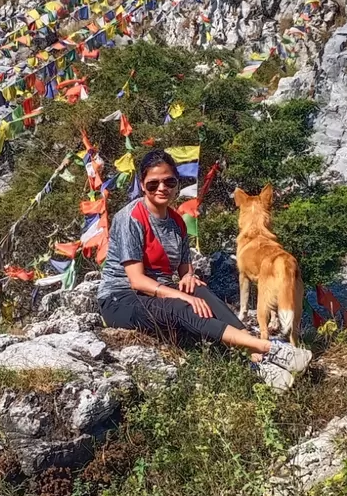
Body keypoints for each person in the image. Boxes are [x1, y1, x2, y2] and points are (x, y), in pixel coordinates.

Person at [96, 149, 312, 389]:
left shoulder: (177, 222)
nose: (162, 188)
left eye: (169, 181)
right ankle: (267, 348)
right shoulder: (131, 218)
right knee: (182, 305)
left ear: (177, 182)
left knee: (201, 291)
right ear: (142, 185)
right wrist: (180, 295)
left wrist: (188, 277)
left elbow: (184, 270)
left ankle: (256, 360)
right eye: (152, 183)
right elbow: (136, 280)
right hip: (121, 298)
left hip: (157, 291)